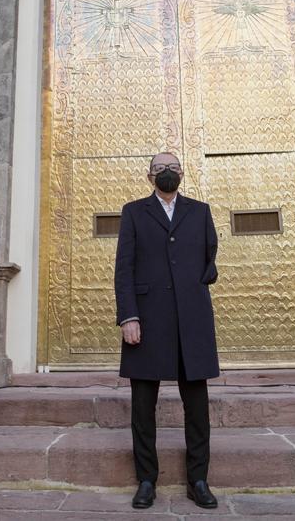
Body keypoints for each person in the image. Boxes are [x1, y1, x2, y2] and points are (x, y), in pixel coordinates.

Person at [115, 152, 220, 510]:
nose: (167, 173)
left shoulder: (200, 210)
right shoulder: (133, 212)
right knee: (143, 407)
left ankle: (199, 479)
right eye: (160, 168)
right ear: (149, 177)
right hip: (146, 319)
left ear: (183, 173)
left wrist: (197, 282)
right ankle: (146, 480)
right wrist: (129, 316)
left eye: (173, 167)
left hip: (192, 319)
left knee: (198, 407)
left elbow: (210, 255)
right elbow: (123, 268)